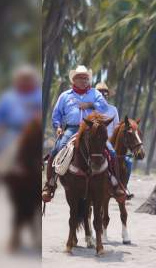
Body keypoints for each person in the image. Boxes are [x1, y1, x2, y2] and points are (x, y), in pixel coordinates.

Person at [42, 65, 124, 203]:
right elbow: (56, 115)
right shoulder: (65, 96)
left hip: (92, 129)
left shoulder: (95, 94)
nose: (84, 80)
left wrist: (90, 105)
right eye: (80, 78)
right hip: (72, 129)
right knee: (57, 149)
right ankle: (49, 184)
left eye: (86, 78)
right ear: (74, 80)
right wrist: (58, 127)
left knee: (112, 152)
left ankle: (117, 185)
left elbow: (104, 107)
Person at [0, 64, 42, 152]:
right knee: (6, 155)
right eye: (23, 79)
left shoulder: (39, 96)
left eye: (28, 79)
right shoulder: (8, 97)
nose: (25, 82)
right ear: (17, 80)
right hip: (12, 133)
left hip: (34, 134)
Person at [95, 82, 133, 199]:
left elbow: (117, 128)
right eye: (100, 93)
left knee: (128, 161)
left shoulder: (113, 110)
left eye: (105, 93)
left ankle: (122, 186)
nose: (103, 95)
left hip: (109, 141)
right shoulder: (91, 109)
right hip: (95, 141)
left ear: (107, 95)